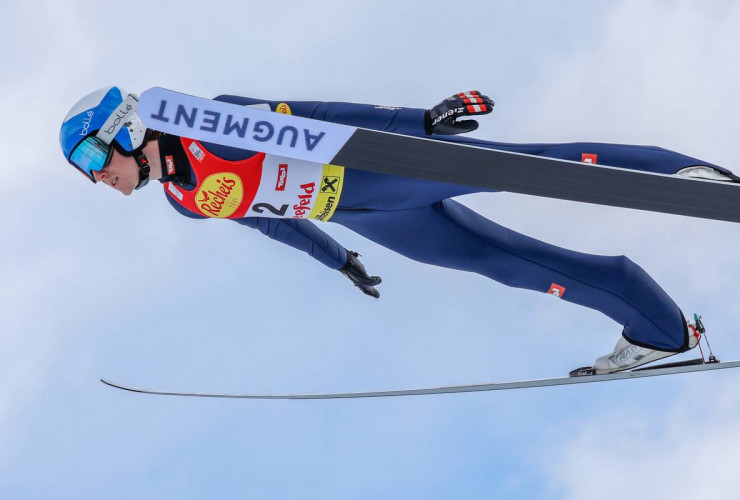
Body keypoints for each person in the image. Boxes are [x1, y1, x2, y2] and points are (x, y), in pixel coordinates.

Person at [59, 86, 738, 374]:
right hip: (359, 214)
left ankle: (683, 175)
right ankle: (661, 331)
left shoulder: (200, 119)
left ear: (120, 126)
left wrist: (420, 121)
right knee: (505, 262)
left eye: (92, 158)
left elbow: (316, 117)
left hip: (378, 175)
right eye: (83, 172)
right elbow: (268, 223)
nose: (97, 178)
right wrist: (337, 259)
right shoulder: (182, 198)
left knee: (527, 169)